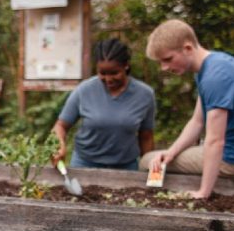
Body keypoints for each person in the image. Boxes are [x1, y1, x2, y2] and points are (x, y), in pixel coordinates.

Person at [140, 19, 234, 198]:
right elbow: (197, 121)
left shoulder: (215, 77)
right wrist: (170, 152)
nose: (164, 67)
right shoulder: (213, 66)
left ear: (187, 48)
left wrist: (203, 192)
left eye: (168, 59)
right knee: (161, 157)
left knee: (147, 161)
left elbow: (215, 141)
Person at [52, 39, 156, 170]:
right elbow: (60, 125)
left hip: (126, 167)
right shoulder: (84, 90)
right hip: (85, 164)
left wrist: (151, 170)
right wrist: (59, 144)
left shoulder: (144, 95)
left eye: (114, 73)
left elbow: (146, 137)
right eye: (102, 73)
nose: (108, 79)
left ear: (126, 66)